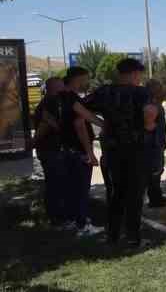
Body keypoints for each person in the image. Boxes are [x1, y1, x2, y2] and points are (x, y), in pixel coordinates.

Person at [84, 58, 152, 247]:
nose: (140, 79)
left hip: (112, 150)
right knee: (135, 195)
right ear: (133, 73)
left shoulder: (104, 91)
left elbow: (79, 107)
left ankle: (113, 235)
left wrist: (101, 123)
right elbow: (149, 111)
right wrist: (148, 125)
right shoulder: (140, 92)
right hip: (135, 150)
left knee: (115, 194)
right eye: (139, 75)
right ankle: (133, 236)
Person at [53, 67, 105, 237]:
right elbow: (82, 123)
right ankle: (82, 226)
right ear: (78, 79)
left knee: (70, 189)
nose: (87, 82)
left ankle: (71, 220)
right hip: (78, 151)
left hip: (65, 149)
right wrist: (90, 153)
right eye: (85, 79)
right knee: (81, 190)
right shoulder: (72, 98)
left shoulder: (58, 98)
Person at [33, 77, 67, 228]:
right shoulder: (51, 102)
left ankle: (55, 216)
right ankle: (57, 218)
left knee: (54, 183)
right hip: (50, 150)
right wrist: (60, 129)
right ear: (55, 88)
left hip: (47, 150)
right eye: (62, 86)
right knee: (56, 184)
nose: (64, 88)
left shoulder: (46, 102)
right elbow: (45, 124)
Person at [144, 79, 166, 208]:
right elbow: (150, 125)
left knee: (158, 170)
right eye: (159, 87)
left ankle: (157, 196)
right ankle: (155, 200)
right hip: (153, 144)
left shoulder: (157, 102)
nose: (162, 90)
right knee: (154, 171)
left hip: (158, 142)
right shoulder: (150, 103)